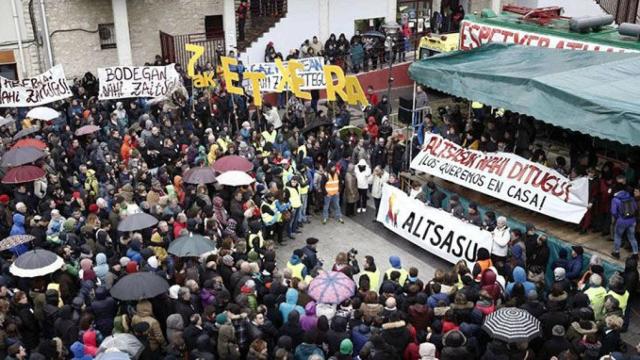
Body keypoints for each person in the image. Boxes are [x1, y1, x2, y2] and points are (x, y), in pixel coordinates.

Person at [610, 183, 639, 259]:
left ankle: (616, 253)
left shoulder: (615, 199)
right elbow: (635, 208)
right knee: (632, 237)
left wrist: (618, 218)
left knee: (618, 236)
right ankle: (635, 253)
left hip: (621, 221)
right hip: (632, 220)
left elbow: (613, 212)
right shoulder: (631, 197)